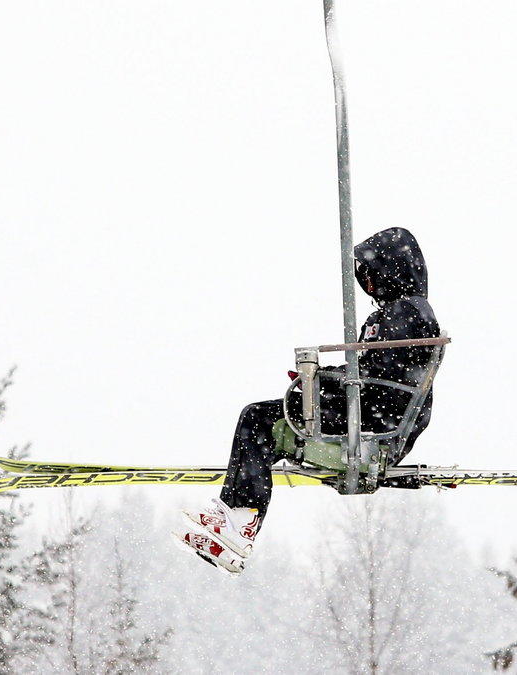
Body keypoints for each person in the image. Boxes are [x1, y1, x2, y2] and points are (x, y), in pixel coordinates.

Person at [175, 228, 440, 574]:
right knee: (264, 417)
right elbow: (374, 374)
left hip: (373, 427)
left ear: (392, 269)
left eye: (372, 276)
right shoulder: (398, 313)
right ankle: (235, 518)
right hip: (370, 417)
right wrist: (324, 381)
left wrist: (326, 382)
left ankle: (240, 520)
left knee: (259, 420)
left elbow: (383, 380)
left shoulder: (408, 313)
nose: (369, 286)